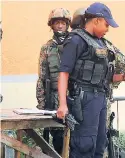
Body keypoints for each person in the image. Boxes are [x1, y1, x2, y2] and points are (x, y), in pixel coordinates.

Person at [57, 2, 125, 158]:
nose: (107, 29)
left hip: (100, 97)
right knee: (84, 146)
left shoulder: (101, 43)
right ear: (96, 20)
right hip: (83, 98)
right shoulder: (75, 40)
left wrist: (122, 77)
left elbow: (103, 77)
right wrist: (62, 104)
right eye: (106, 25)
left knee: (100, 145)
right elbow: (63, 73)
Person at [36, 8, 71, 154]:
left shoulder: (75, 44)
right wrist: (42, 104)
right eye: (57, 23)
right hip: (54, 97)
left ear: (67, 24)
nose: (60, 26)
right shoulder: (47, 48)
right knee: (57, 138)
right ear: (52, 25)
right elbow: (42, 78)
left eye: (63, 23)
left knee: (76, 138)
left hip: (73, 96)